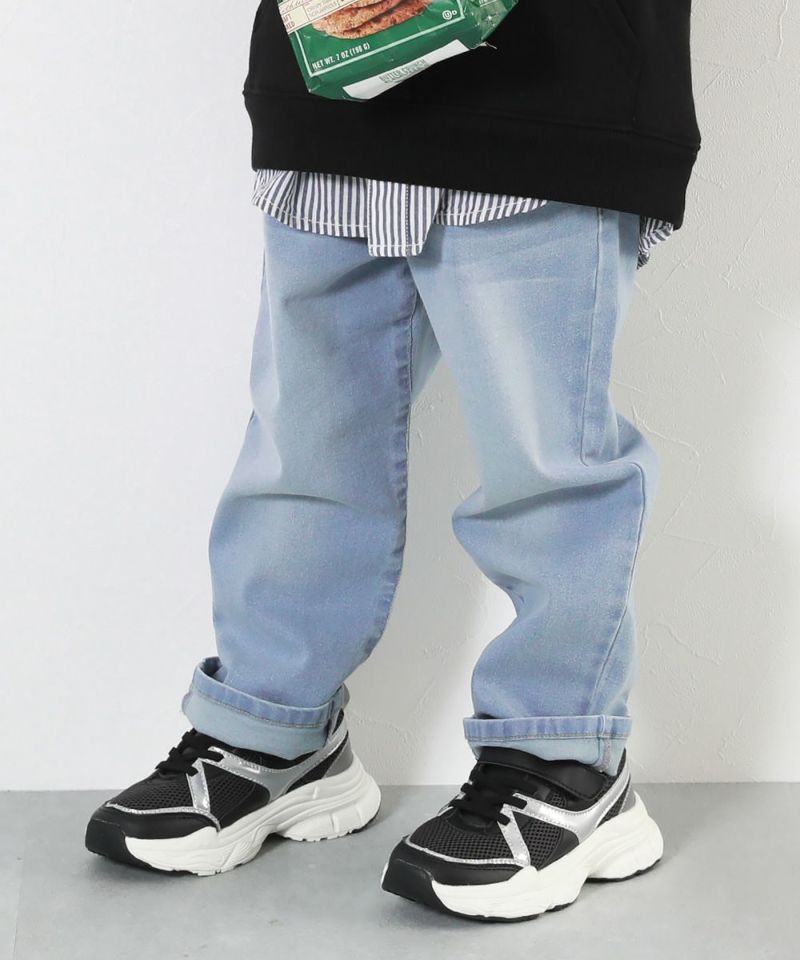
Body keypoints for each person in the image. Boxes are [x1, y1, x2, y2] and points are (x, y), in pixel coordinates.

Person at [85, 0, 701, 921]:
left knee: (547, 464)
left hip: (548, 90)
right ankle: (274, 731)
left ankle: (568, 760)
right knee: (305, 448)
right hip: (334, 83)